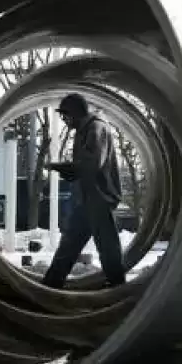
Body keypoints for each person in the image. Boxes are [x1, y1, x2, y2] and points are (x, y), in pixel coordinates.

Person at [43, 93, 125, 288]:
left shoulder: (96, 128)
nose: (64, 119)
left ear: (75, 113)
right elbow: (85, 167)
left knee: (107, 247)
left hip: (99, 198)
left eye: (65, 115)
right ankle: (50, 286)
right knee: (69, 245)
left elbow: (92, 164)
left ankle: (119, 289)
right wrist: (69, 171)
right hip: (86, 198)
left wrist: (64, 168)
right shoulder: (84, 129)